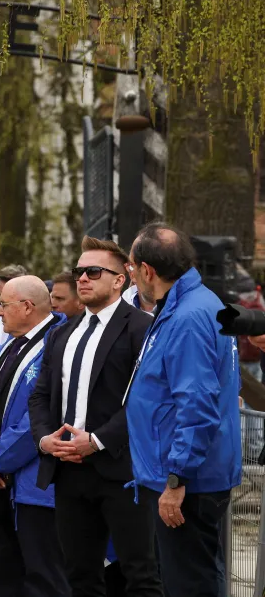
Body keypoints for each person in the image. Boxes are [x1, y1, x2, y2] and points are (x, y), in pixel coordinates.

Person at [29, 235, 160, 597]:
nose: (81, 279)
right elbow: (40, 395)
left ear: (120, 279)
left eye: (93, 272)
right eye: (78, 272)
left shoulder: (141, 328)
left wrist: (98, 440)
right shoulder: (62, 333)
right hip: (69, 470)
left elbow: (144, 400)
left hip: (122, 471)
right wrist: (44, 438)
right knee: (80, 576)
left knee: (141, 575)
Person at [125, 223, 241, 597]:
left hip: (187, 480)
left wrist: (176, 480)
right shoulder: (190, 304)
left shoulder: (189, 316)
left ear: (147, 271)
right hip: (183, 472)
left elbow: (197, 405)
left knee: (189, 583)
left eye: (131, 267)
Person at [0, 276, 68, 597]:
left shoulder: (59, 344)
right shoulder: (10, 345)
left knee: (43, 577)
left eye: (4, 306)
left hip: (35, 486)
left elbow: (40, 417)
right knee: (1, 574)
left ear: (27, 307)